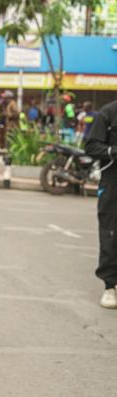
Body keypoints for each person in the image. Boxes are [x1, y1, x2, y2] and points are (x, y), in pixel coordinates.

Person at [84, 99, 117, 309]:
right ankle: (110, 286)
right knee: (110, 232)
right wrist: (113, 151)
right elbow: (91, 146)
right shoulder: (108, 113)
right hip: (113, 182)